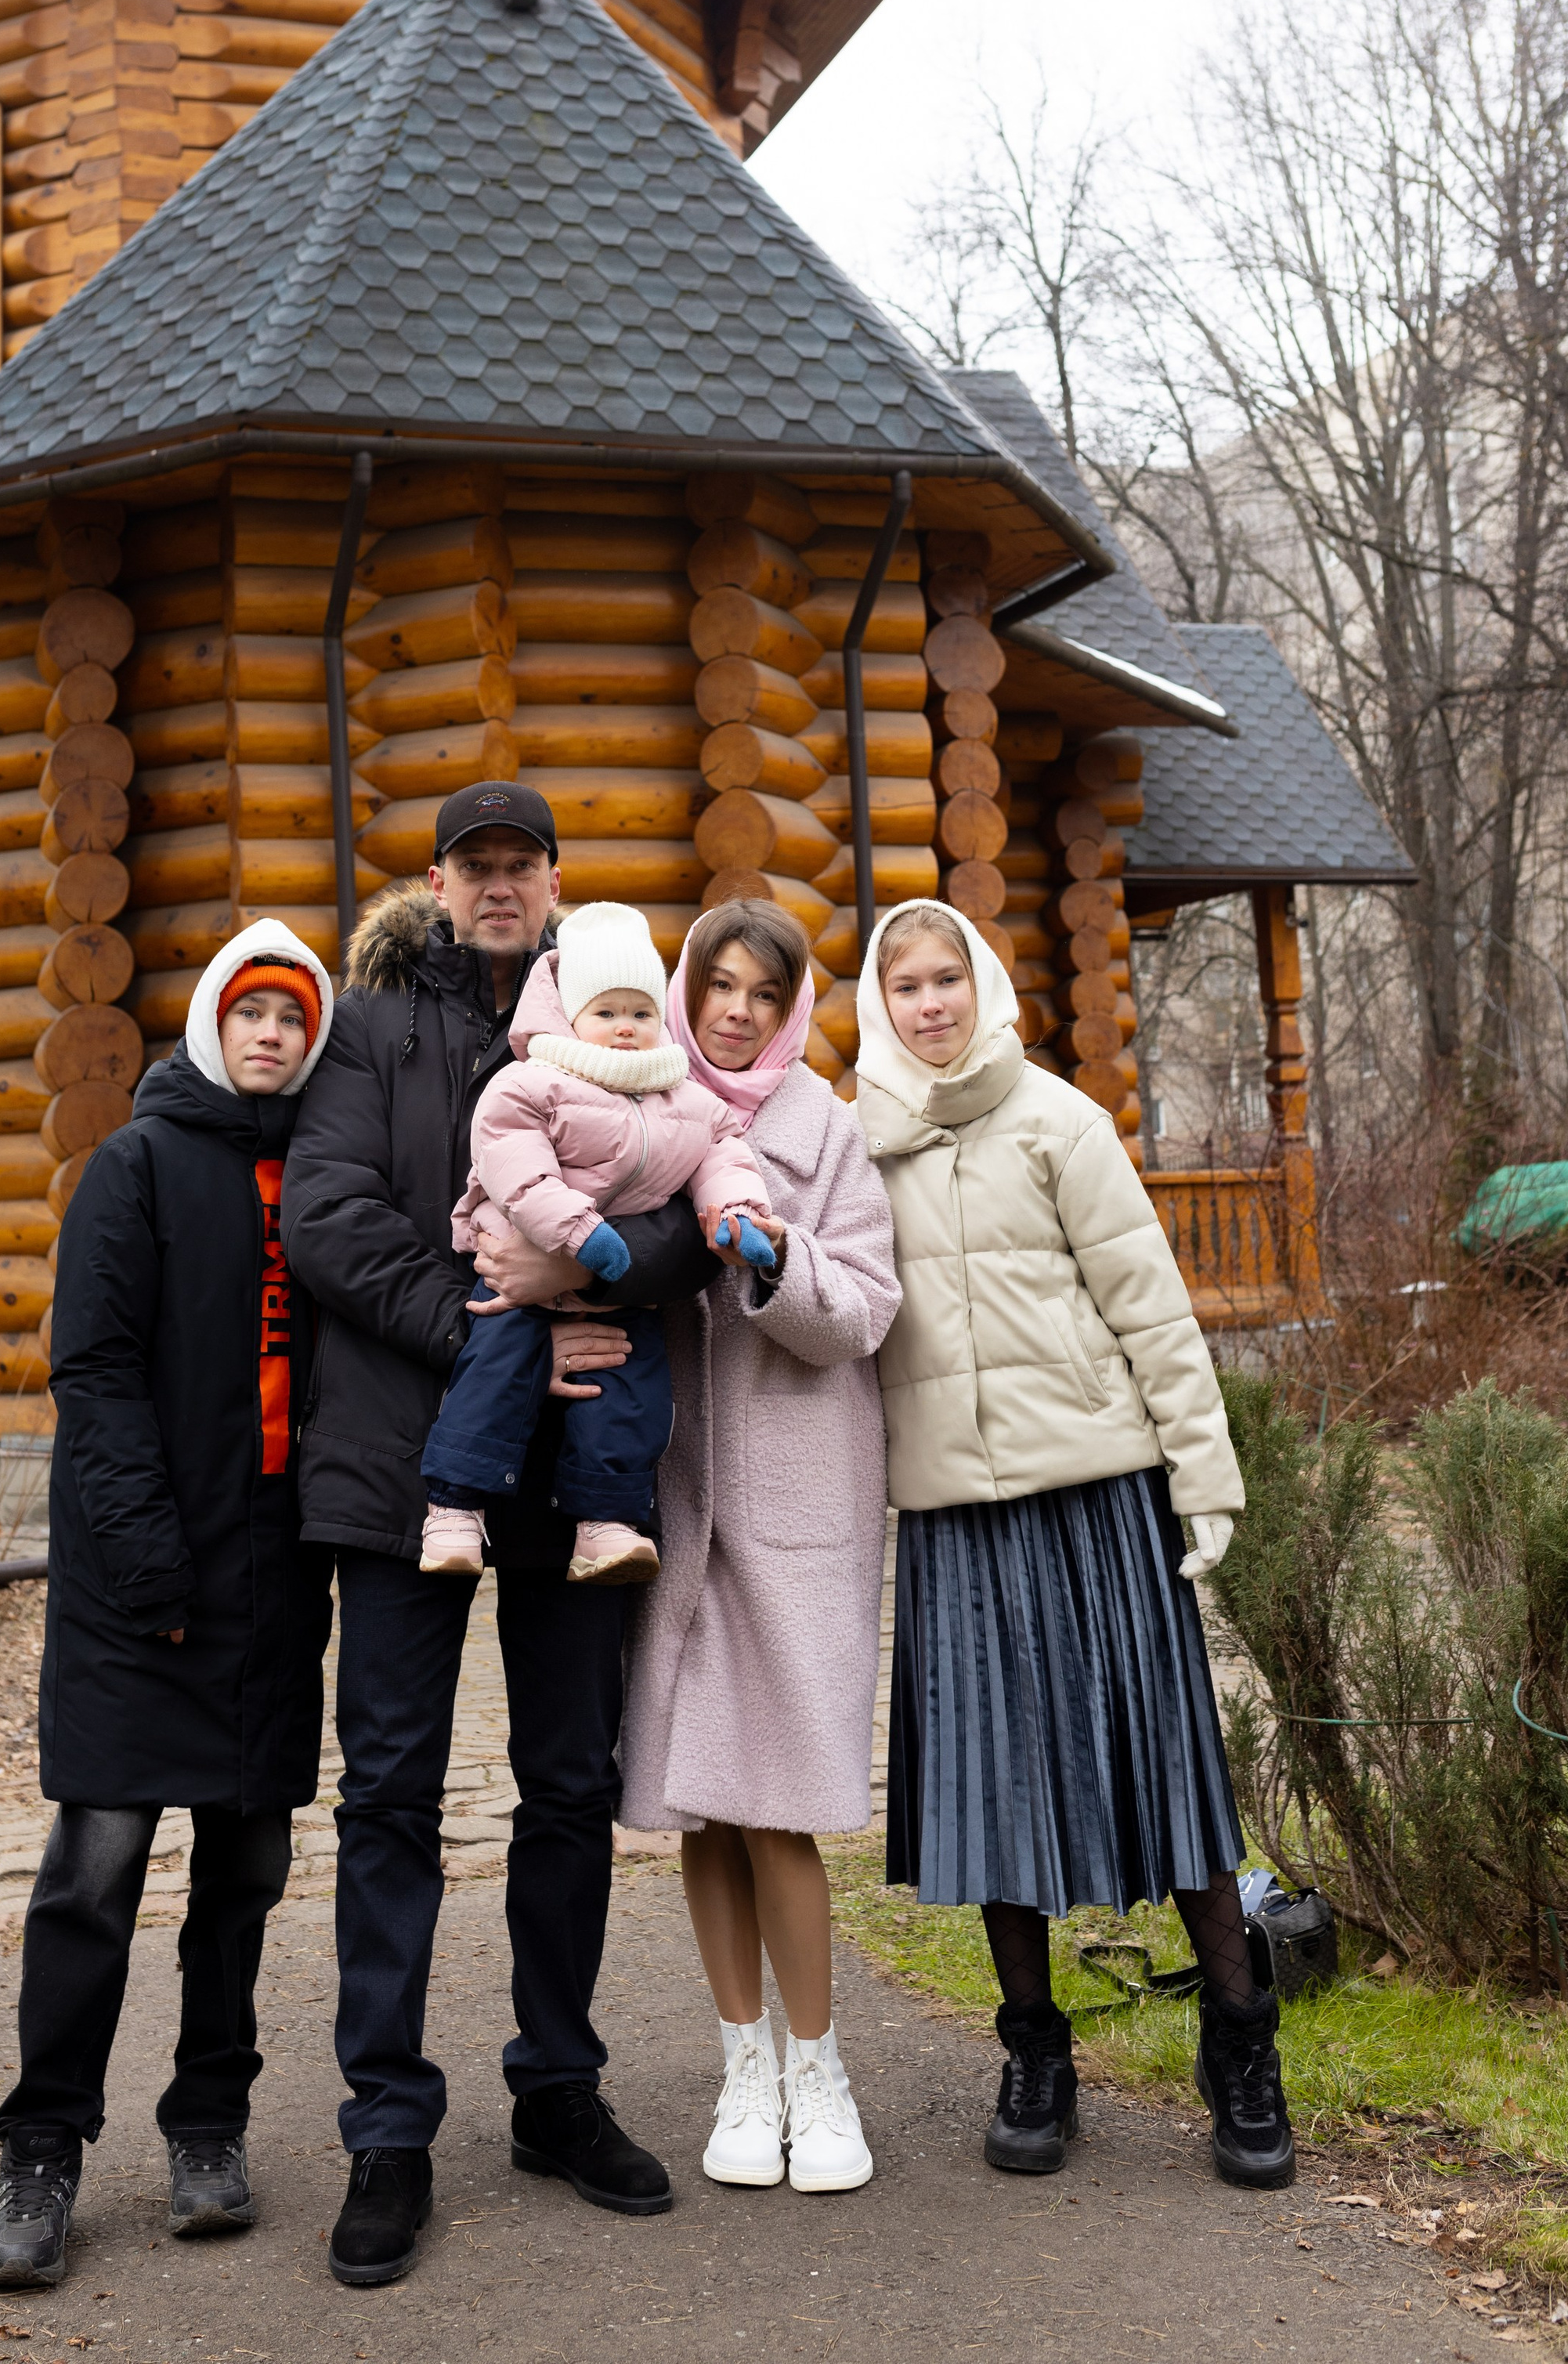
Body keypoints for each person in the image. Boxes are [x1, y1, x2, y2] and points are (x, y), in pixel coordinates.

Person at [281, 784, 717, 2289]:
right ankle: (386, 2128)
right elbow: (327, 1219)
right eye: (476, 868)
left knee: (569, 1783)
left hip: (574, 1482)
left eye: (522, 866)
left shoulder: (615, 1031)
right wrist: (499, 1330)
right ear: (441, 882)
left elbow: (686, 1205)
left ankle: (559, 2088)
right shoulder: (366, 1029)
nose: (499, 888)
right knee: (392, 1793)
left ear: (552, 884)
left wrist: (590, 1297)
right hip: (400, 1471)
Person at [857, 898, 1293, 2190]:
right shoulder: (858, 1144)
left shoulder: (1057, 1119)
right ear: (880, 1007)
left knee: (1164, 1769)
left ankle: (1241, 2041)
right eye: (907, 986)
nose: (930, 1003)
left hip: (1097, 1496)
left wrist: (1200, 1471)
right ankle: (1035, 2051)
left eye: (947, 979)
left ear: (980, 985)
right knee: (994, 1784)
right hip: (954, 1518)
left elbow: (1151, 1305)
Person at [0, 921, 337, 2291]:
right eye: (249, 1013)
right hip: (142, 1584)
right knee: (96, 1874)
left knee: (243, 1877)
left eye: (292, 1020)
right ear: (210, 1025)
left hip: (273, 1577)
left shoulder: (321, 1173)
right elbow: (96, 1378)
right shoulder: (133, 1167)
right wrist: (146, 1562)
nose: (269, 1037)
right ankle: (43, 2149)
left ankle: (209, 2127)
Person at [616, 900, 901, 2195]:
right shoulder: (649, 1115)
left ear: (791, 1006)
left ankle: (818, 2070)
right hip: (679, 1499)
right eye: (717, 986)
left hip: (798, 1503)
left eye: (760, 992)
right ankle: (743, 2064)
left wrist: (779, 1257)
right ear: (689, 991)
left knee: (781, 1808)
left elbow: (866, 1312)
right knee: (703, 1804)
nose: (734, 1010)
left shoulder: (824, 1130)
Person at [425, 899, 775, 1586]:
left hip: (616, 1284)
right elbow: (511, 1159)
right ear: (569, 1017)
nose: (625, 1029)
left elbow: (723, 1153)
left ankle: (606, 1523)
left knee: (629, 1389)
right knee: (493, 1371)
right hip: (521, 1265)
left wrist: (734, 1212)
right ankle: (454, 1509)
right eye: (607, 1011)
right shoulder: (534, 1082)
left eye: (641, 1014)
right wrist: (576, 1232)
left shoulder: (682, 1096)